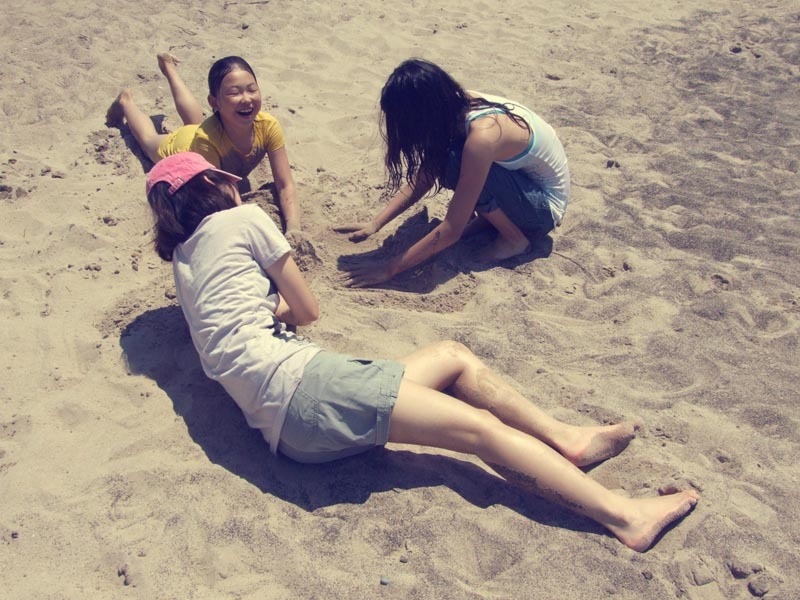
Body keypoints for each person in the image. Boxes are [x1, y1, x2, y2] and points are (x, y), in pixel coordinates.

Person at [145, 152, 698, 553]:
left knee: (452, 355)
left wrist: (266, 311)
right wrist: (278, 309)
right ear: (212, 184)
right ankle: (623, 516)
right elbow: (308, 310)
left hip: (288, 435)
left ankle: (568, 440)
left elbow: (228, 328)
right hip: (307, 391)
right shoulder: (243, 219)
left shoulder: (183, 263)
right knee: (479, 430)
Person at [335, 58, 571, 287]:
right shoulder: (454, 104)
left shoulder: (482, 136)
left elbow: (451, 229)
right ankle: (492, 221)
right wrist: (376, 223)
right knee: (450, 159)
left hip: (543, 212)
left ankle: (514, 239)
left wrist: (390, 269)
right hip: (522, 189)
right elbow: (426, 176)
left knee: (455, 162)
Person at [108, 53, 303, 243]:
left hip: (210, 130)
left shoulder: (268, 126)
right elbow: (225, 196)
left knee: (197, 123)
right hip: (184, 147)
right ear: (214, 102)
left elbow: (285, 183)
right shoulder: (206, 140)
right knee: (148, 141)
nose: (246, 99)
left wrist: (293, 227)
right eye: (234, 93)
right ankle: (126, 102)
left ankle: (169, 67)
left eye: (252, 89)